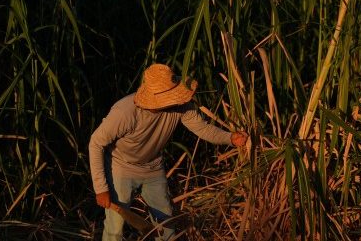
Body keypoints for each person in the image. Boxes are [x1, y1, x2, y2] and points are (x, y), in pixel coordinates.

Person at [88, 63, 248, 240]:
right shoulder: (125, 112)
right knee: (115, 228)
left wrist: (230, 138)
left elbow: (202, 129)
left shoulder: (180, 106)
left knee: (166, 225)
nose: (178, 99)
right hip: (120, 167)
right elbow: (95, 143)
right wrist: (101, 188)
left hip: (153, 167)